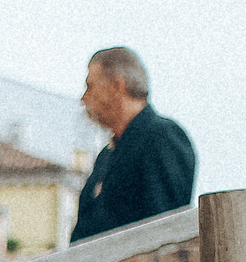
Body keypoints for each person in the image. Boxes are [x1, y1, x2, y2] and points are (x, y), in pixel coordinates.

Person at [69, 46, 195, 243]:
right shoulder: (107, 155)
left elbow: (164, 229)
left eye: (90, 86)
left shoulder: (162, 137)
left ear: (117, 86)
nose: (84, 98)